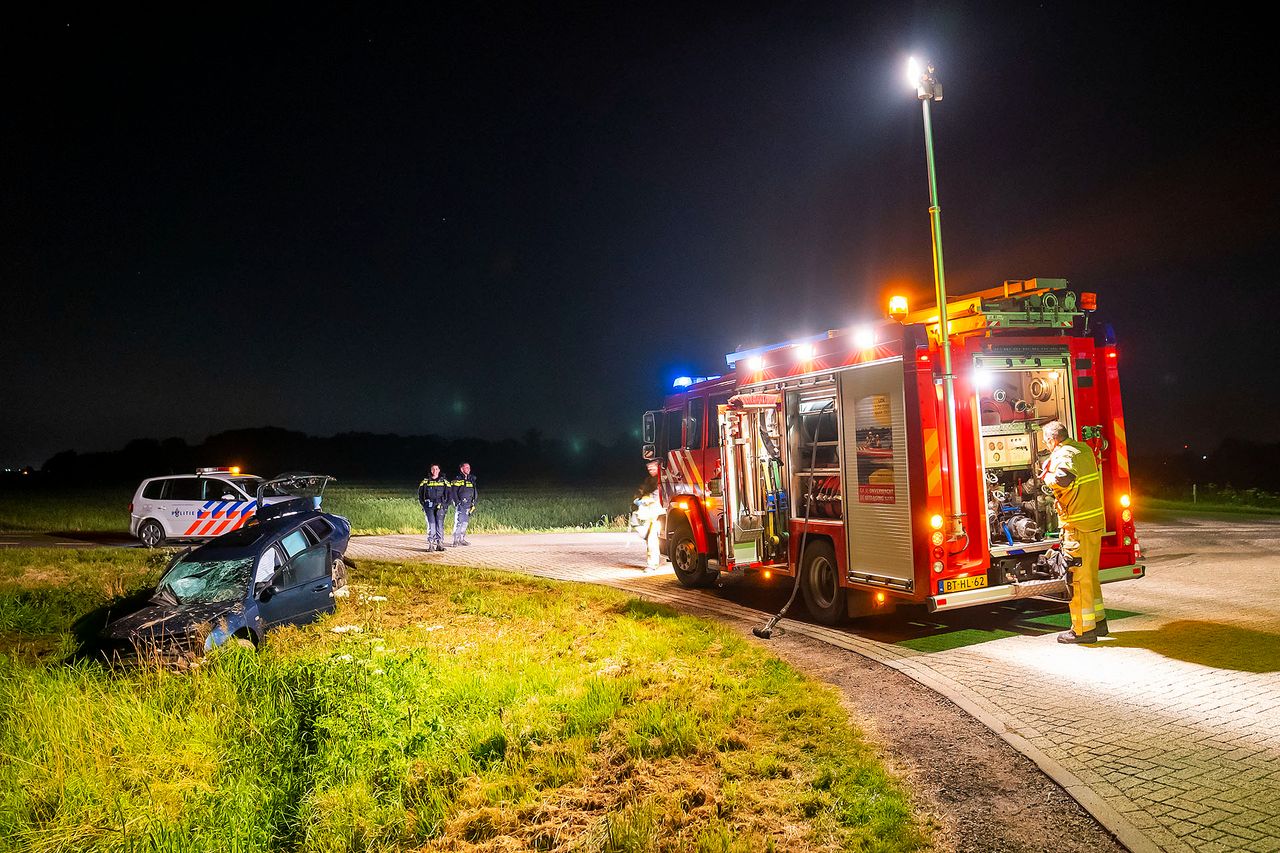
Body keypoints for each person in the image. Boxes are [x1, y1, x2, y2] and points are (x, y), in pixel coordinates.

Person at [1041, 420, 1107, 643]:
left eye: (1046, 441)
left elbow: (1063, 478)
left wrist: (1046, 477)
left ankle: (1082, 630)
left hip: (1077, 527)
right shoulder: (1083, 449)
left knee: (1077, 578)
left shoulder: (1064, 454)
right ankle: (1098, 622)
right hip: (1093, 522)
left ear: (1053, 440)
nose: (1046, 445)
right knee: (1090, 575)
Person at [632, 458, 665, 571]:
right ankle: (660, 560)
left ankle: (652, 564)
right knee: (650, 538)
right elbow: (642, 491)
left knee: (652, 539)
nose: (650, 469)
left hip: (658, 514)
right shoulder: (650, 480)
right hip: (650, 514)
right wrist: (638, 499)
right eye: (648, 468)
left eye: (652, 467)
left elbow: (657, 496)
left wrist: (644, 500)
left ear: (659, 466)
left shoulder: (662, 479)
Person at [417, 464, 451, 552]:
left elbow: (449, 494)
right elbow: (420, 494)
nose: (435, 471)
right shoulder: (425, 481)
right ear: (431, 470)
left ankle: (440, 544)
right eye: (433, 469)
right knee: (431, 524)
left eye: (436, 469)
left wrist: (445, 505)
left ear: (439, 470)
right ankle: (431, 545)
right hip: (429, 506)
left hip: (440, 505)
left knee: (440, 525)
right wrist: (424, 504)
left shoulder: (444, 481)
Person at [450, 462, 477, 546]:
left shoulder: (471, 479)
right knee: (459, 522)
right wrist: (457, 502)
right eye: (466, 467)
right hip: (461, 504)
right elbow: (453, 492)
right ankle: (455, 540)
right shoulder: (457, 479)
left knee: (465, 522)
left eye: (469, 467)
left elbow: (474, 491)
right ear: (462, 469)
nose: (469, 469)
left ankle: (462, 539)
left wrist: (473, 502)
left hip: (469, 504)